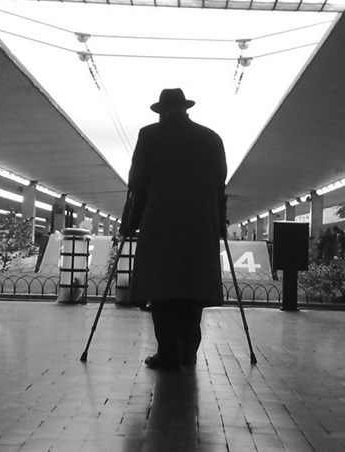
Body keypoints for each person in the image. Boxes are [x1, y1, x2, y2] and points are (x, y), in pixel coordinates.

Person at [121, 88, 226, 371]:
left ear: (161, 111)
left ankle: (168, 353)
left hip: (161, 223)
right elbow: (220, 184)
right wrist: (220, 222)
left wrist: (130, 221)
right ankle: (188, 352)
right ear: (185, 109)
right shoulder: (211, 138)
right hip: (200, 225)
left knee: (163, 288)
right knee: (193, 288)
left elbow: (137, 182)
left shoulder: (150, 135)